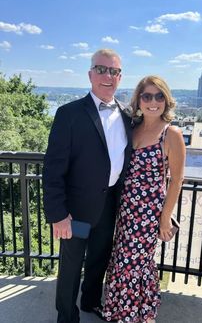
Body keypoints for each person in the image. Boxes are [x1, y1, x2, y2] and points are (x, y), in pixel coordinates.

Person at [43, 48, 132, 323]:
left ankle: (90, 301)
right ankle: (67, 316)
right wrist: (58, 215)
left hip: (107, 208)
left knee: (98, 261)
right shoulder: (69, 114)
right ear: (90, 74)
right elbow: (53, 169)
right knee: (70, 267)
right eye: (101, 69)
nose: (108, 76)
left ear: (120, 77)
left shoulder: (128, 117)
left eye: (113, 71)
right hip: (76, 212)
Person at [102, 75, 186, 323]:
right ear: (139, 100)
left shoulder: (172, 134)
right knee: (123, 259)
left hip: (149, 214)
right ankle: (131, 311)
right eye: (147, 96)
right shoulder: (132, 128)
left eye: (159, 96)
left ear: (166, 100)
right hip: (126, 209)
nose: (153, 101)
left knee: (133, 263)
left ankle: (134, 315)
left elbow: (177, 181)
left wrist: (164, 219)